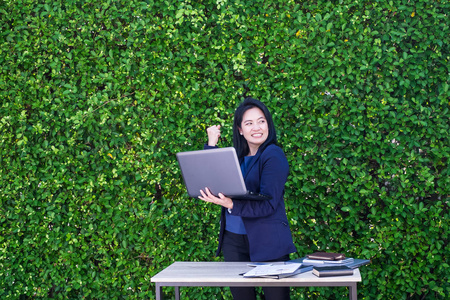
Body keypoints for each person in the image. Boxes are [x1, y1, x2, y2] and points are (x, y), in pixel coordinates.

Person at [199, 97, 297, 300]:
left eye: (261, 121)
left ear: (268, 124)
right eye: (249, 123)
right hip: (233, 241)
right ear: (240, 130)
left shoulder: (273, 155)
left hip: (268, 242)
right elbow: (211, 178)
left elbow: (269, 204)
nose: (257, 127)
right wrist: (211, 143)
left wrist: (231, 204)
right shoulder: (237, 158)